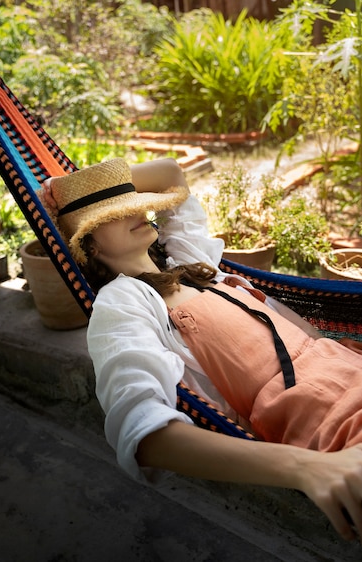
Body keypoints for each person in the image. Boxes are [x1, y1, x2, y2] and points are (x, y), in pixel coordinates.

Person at [40, 157, 362, 543]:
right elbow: (141, 431)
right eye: (114, 213)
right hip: (337, 426)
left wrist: (70, 186)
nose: (139, 209)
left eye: (132, 202)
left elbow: (172, 175)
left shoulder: (192, 263)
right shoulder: (123, 303)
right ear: (89, 245)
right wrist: (305, 467)